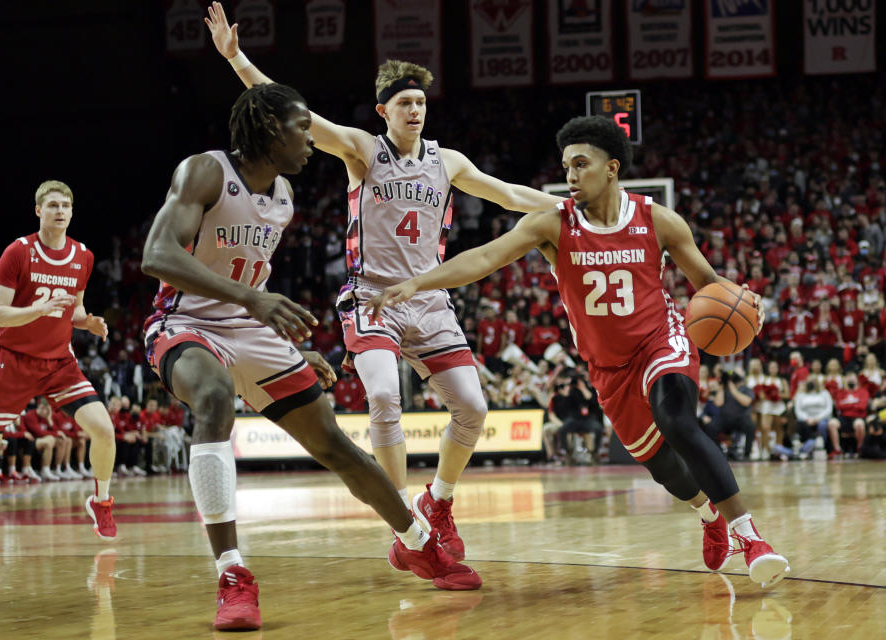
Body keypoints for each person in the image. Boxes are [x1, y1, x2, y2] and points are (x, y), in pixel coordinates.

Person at [367, 115, 790, 588]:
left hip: (660, 342)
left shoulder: (659, 220)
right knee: (663, 467)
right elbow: (485, 257)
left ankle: (750, 536)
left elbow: (710, 286)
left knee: (676, 418)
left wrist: (746, 301)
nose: (570, 175)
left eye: (581, 164)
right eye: (566, 165)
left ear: (612, 168)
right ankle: (708, 514)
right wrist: (418, 282)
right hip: (607, 367)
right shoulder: (552, 224)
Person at [206, 2, 563, 561]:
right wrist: (237, 60)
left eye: (422, 101)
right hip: (371, 296)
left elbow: (513, 196)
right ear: (384, 111)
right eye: (405, 103)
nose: (416, 109)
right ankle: (405, 518)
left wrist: (577, 211)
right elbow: (295, 111)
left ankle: (439, 500)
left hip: (429, 300)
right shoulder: (362, 150)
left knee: (472, 408)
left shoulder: (448, 162)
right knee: (381, 393)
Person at [140, 84, 481, 631]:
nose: (310, 141)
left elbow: (247, 276)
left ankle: (416, 542)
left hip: (251, 329)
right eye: (302, 129)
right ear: (272, 129)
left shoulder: (282, 196)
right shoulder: (205, 171)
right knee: (213, 395)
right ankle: (233, 574)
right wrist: (252, 300)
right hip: (185, 323)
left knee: (335, 445)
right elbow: (157, 256)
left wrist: (290, 348)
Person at [0, 180, 117, 552]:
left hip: (58, 361)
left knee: (104, 429)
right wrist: (36, 310)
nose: (60, 211)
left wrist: (86, 321)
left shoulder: (84, 255)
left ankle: (102, 502)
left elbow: (73, 307)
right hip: (11, 361)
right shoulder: (18, 252)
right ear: (38, 211)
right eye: (52, 205)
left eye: (66, 205)